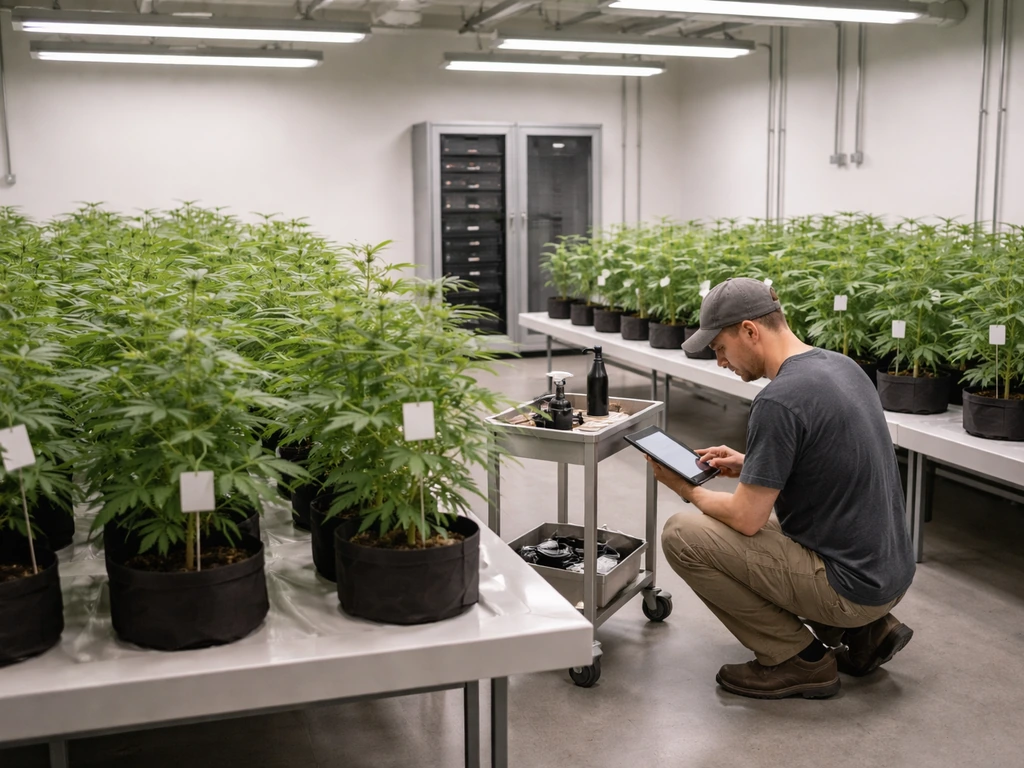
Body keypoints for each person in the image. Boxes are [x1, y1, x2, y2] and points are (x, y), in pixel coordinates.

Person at [651, 277, 915, 700]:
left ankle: (797, 660)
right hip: (889, 572)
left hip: (852, 587)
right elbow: (828, 459)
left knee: (683, 534)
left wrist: (686, 487)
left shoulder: (779, 400)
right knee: (755, 522)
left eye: (719, 348)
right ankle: (867, 631)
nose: (719, 361)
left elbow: (747, 519)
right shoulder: (839, 366)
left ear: (749, 331)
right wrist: (749, 463)